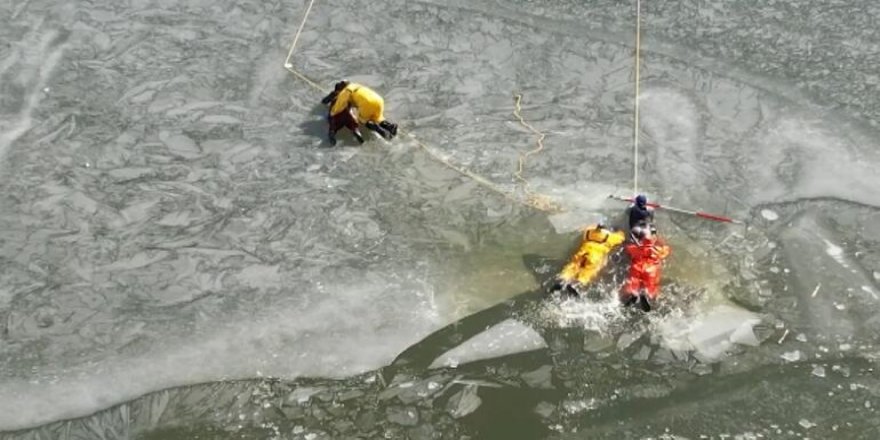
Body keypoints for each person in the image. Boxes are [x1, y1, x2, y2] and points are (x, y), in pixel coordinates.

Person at [553, 222, 625, 296]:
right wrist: (618, 229)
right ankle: (575, 285)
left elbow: (588, 227)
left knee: (572, 267)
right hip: (594, 256)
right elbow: (621, 237)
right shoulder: (610, 237)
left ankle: (562, 280)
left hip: (582, 253)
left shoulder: (588, 232)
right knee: (586, 273)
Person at [321, 80, 398, 145]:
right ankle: (390, 126)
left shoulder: (346, 91)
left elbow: (340, 104)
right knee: (378, 118)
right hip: (379, 100)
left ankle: (381, 132)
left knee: (363, 120)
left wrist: (332, 113)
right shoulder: (356, 86)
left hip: (367, 103)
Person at [620, 225, 671, 312]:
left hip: (636, 268)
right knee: (652, 287)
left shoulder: (634, 248)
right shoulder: (659, 249)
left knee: (632, 283)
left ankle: (632, 293)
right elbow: (667, 250)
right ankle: (647, 294)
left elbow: (627, 249)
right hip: (651, 270)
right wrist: (660, 241)